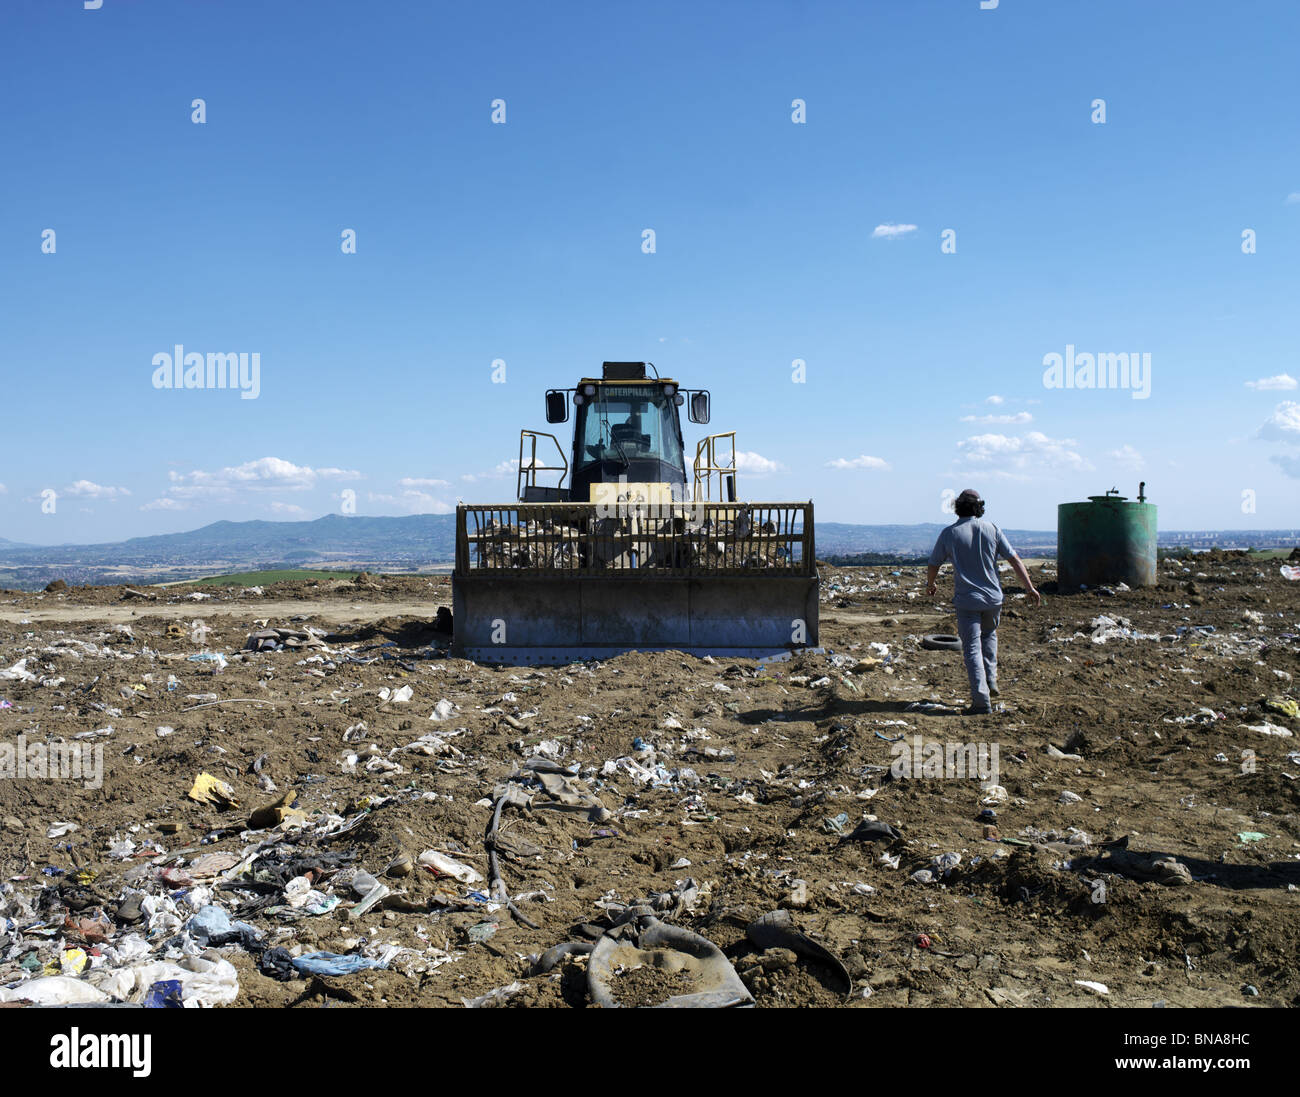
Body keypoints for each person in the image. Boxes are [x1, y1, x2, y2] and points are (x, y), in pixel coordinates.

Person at [926, 489, 1041, 714]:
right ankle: (991, 681)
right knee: (989, 636)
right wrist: (1030, 588)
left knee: (971, 649)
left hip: (968, 600)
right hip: (993, 599)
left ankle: (981, 701)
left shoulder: (949, 534)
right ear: (979, 507)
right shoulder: (993, 529)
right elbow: (1015, 560)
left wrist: (931, 584)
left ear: (957, 507)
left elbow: (933, 563)